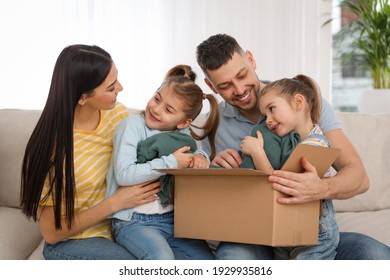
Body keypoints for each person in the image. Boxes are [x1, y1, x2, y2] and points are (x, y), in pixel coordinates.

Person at [196, 33, 390, 260]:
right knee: (234, 258)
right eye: (226, 85)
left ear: (251, 59)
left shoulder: (303, 101)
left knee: (374, 255)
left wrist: (321, 188)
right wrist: (213, 169)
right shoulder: (212, 124)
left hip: (308, 229)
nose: (239, 90)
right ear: (211, 86)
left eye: (242, 75)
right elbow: (207, 200)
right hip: (253, 235)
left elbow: (359, 178)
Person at [20, 44, 162, 260]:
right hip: (74, 241)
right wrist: (116, 202)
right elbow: (50, 233)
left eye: (117, 80)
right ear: (83, 97)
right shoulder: (52, 149)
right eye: (111, 87)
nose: (121, 88)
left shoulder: (118, 116)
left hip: (121, 228)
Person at [105, 64, 218, 260]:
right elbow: (124, 174)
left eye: (168, 110)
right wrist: (171, 162)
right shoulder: (132, 125)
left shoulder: (181, 134)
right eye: (157, 98)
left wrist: (201, 158)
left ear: (183, 123)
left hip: (173, 220)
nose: (156, 109)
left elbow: (195, 154)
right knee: (161, 260)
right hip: (133, 221)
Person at [240, 74, 339, 259]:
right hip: (287, 230)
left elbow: (281, 186)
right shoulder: (289, 143)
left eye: (272, 109)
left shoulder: (315, 145)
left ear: (298, 102)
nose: (268, 120)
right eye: (265, 115)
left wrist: (257, 153)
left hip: (313, 235)